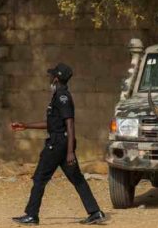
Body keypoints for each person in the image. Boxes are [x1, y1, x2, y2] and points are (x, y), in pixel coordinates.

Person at [11, 63, 106, 225]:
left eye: (51, 75)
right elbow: (52, 124)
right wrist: (26, 125)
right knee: (77, 178)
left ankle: (32, 215)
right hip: (62, 143)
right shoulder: (58, 96)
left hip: (57, 145)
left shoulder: (62, 97)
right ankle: (95, 212)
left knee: (40, 178)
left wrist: (70, 152)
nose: (49, 78)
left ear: (56, 79)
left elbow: (70, 124)